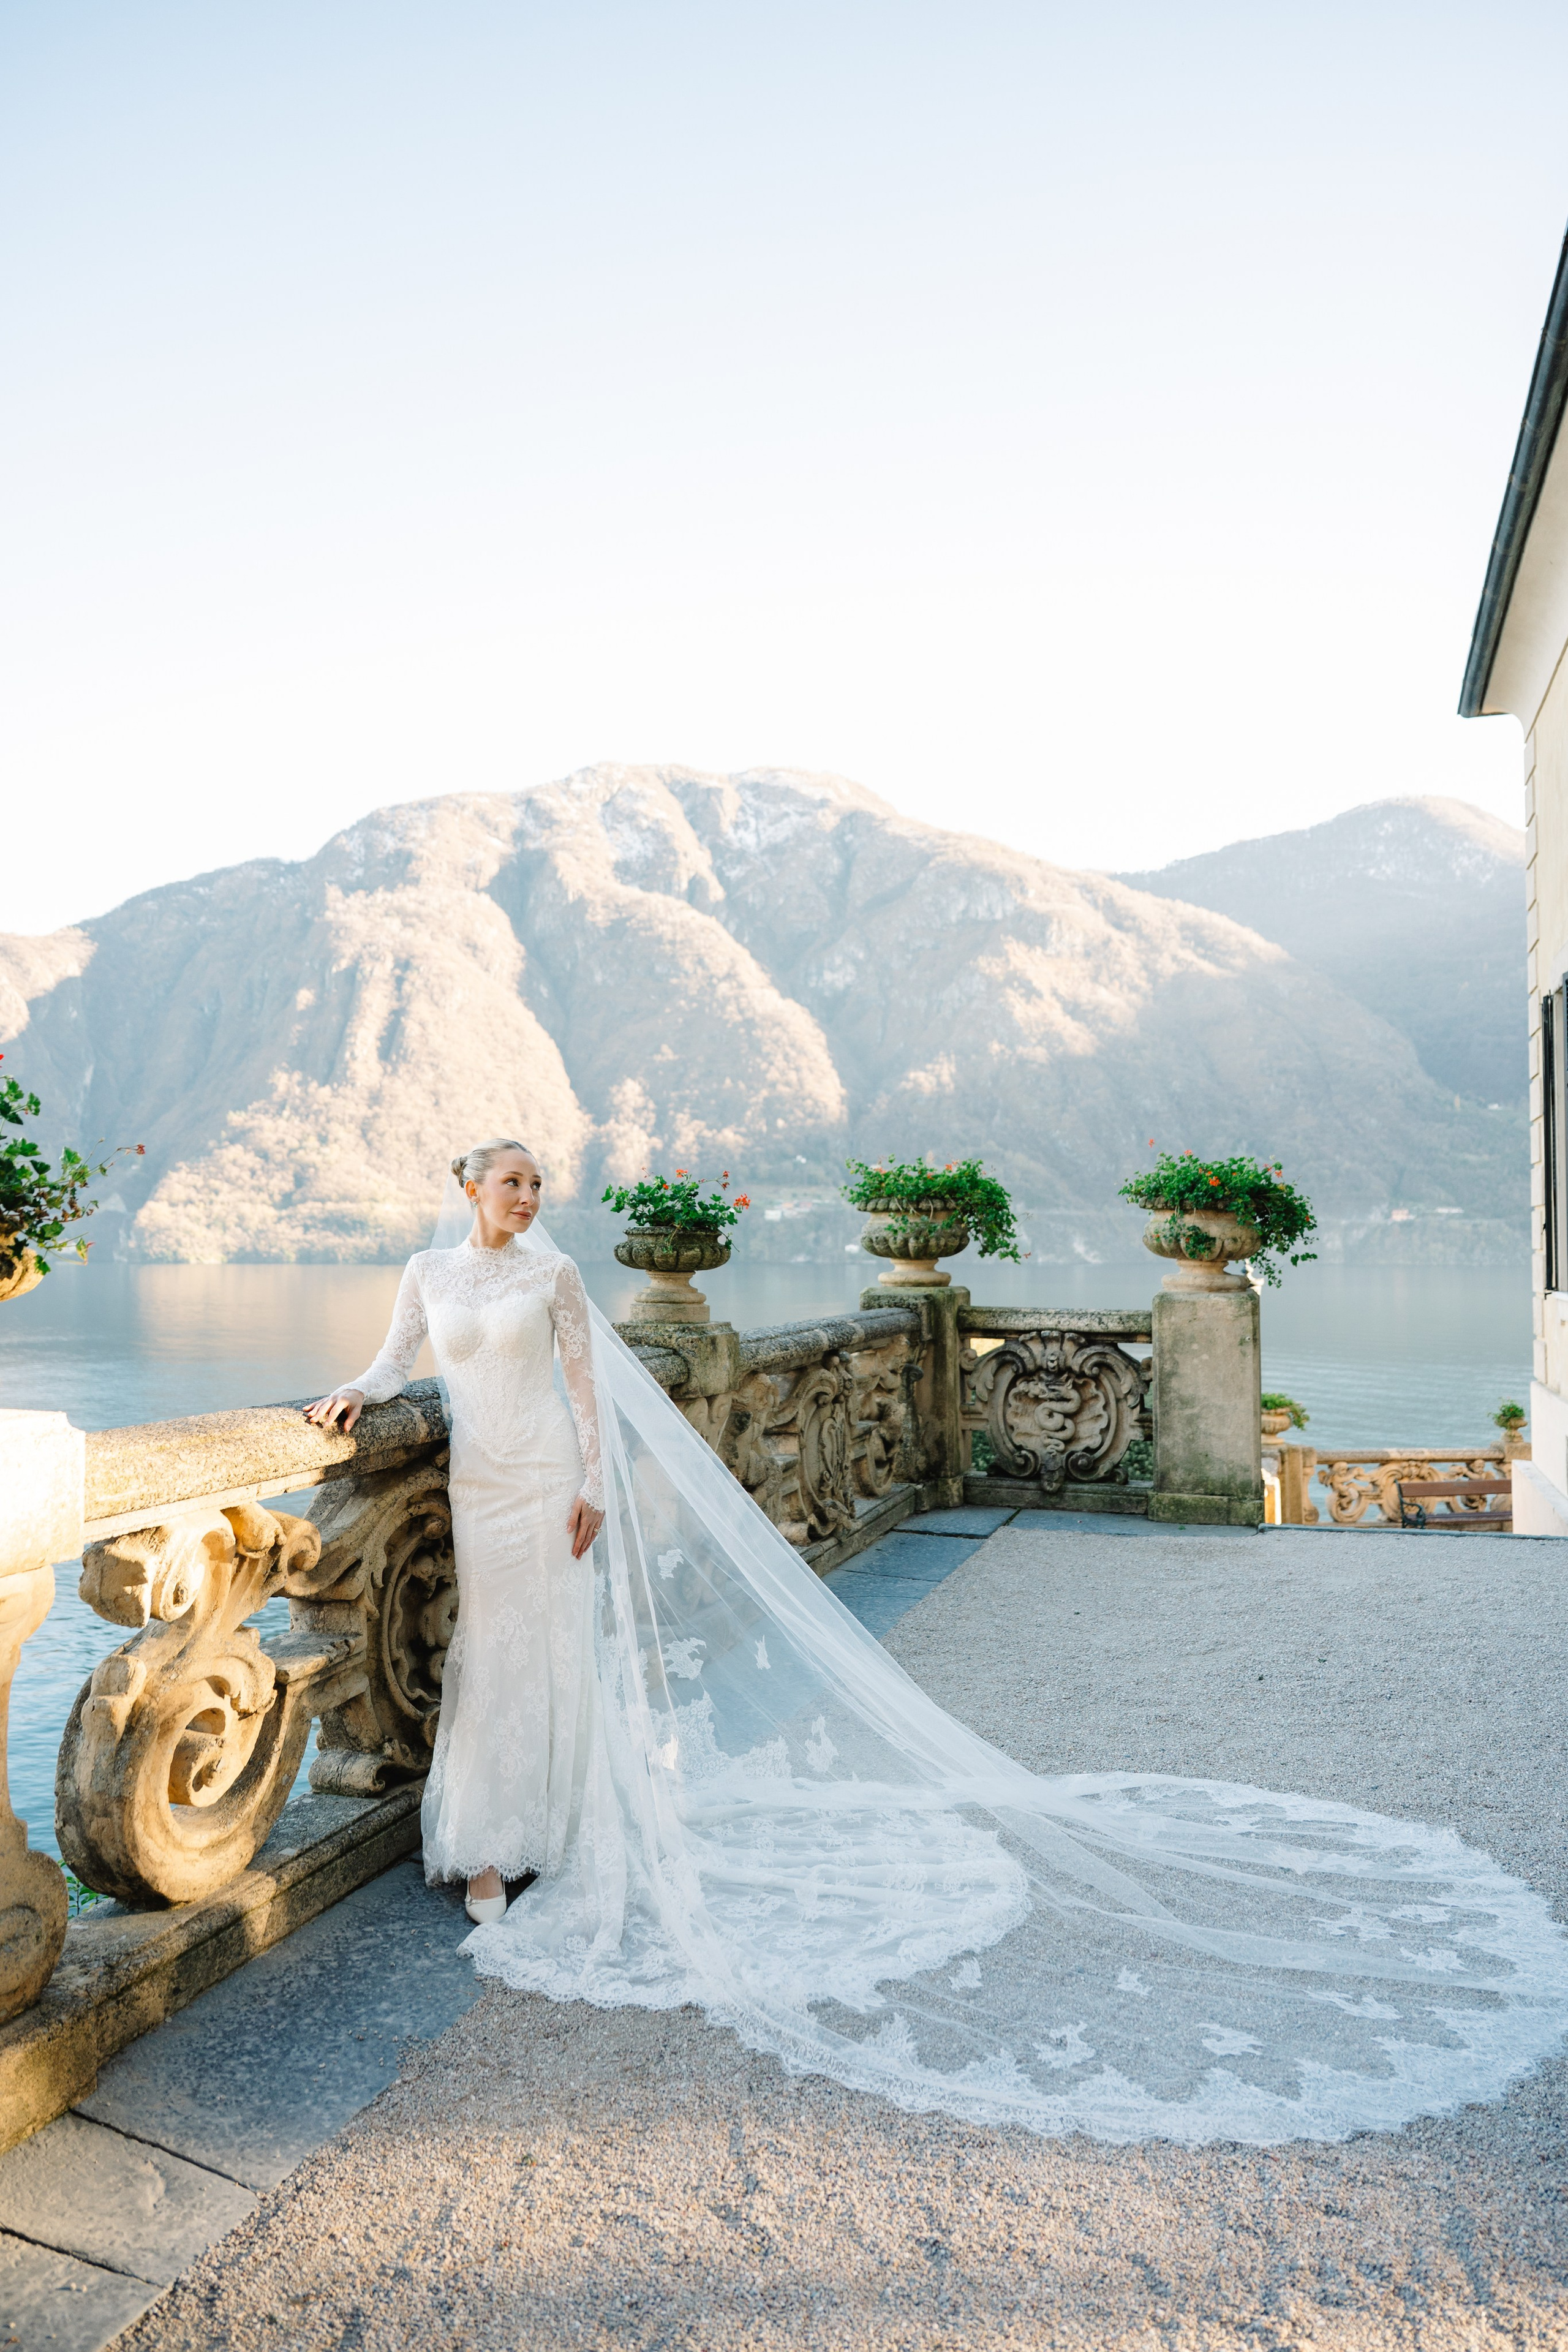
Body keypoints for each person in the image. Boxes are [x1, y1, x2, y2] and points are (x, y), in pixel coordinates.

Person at [308, 1138, 1568, 2146]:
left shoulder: (556, 1279)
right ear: (467, 1188)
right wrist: (358, 1393)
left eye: (537, 1182)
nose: (527, 1197)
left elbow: (590, 1392)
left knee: (549, 1651)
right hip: (477, 1487)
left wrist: (590, 1479)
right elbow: (391, 1361)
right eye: (509, 1180)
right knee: (490, 1653)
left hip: (546, 1480)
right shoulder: (433, 1278)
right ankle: (484, 1836)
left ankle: (548, 1833)